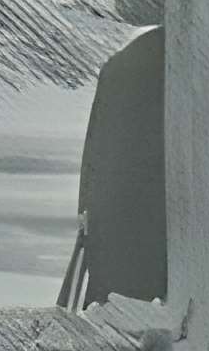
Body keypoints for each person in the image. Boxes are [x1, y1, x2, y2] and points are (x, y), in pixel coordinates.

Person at [63, 24, 165, 308]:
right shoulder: (149, 58)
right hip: (146, 230)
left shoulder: (126, 63)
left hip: (117, 230)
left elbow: (96, 161)